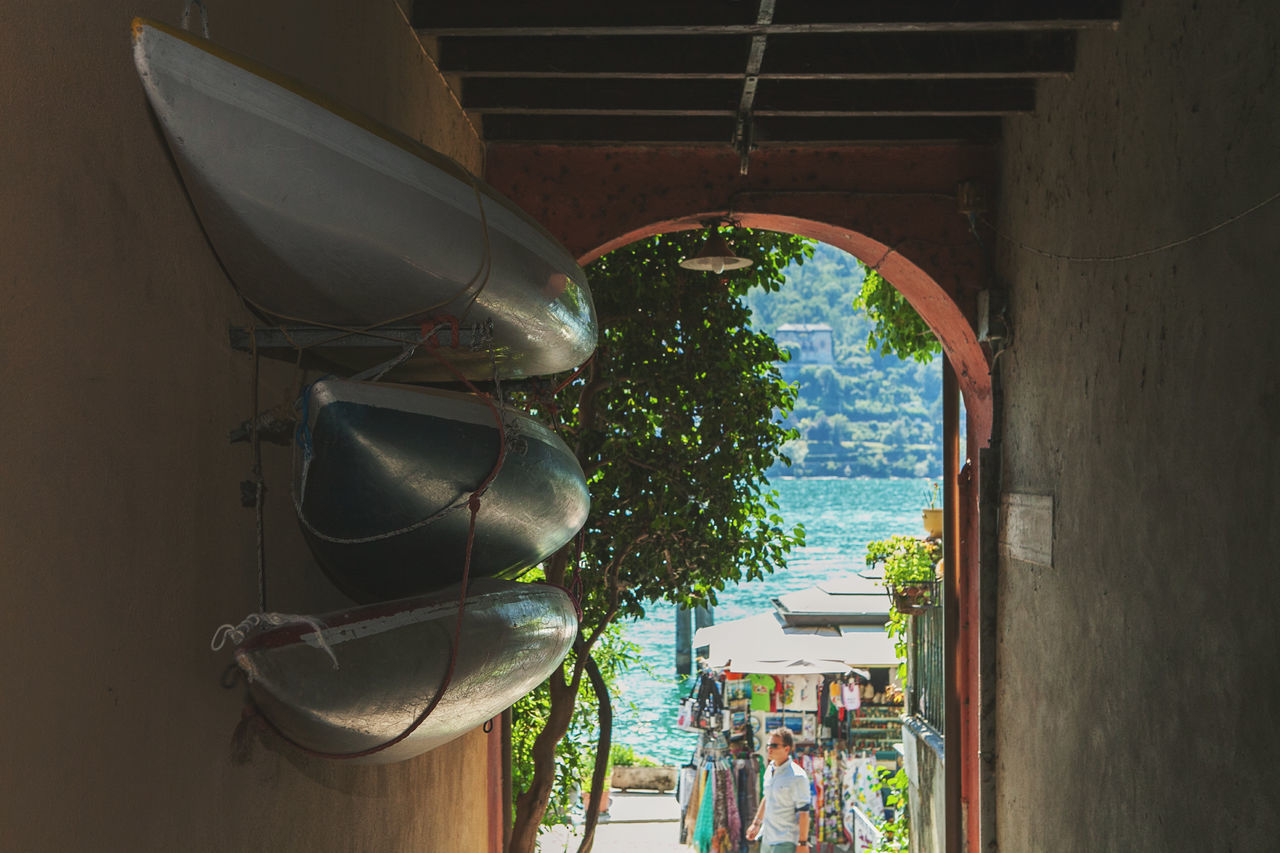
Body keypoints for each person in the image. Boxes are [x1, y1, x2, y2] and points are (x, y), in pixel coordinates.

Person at [746, 726, 811, 853]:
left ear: (787, 749)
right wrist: (756, 823)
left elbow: (804, 812)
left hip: (785, 839)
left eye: (774, 745)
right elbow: (768, 797)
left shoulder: (797, 776)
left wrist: (802, 843)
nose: (769, 748)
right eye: (769, 745)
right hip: (767, 837)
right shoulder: (770, 770)